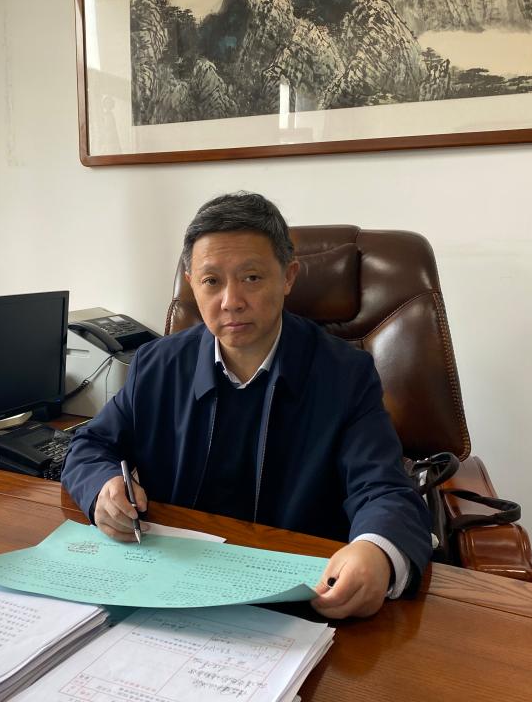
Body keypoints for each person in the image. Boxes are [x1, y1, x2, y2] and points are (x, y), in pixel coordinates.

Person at [62, 192, 430, 618]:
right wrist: (103, 489)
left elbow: (382, 487)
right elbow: (90, 446)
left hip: (296, 600)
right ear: (191, 283)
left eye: (251, 277)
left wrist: (376, 551)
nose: (231, 301)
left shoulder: (345, 374)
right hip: (173, 588)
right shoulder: (157, 365)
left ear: (288, 276)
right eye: (211, 281)